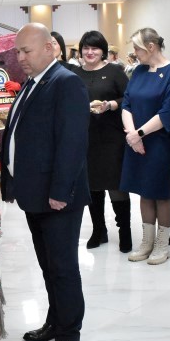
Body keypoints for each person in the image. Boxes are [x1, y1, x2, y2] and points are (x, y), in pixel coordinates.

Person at [0, 23, 90, 341]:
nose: (20, 58)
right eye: (17, 52)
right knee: (48, 265)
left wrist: (60, 191)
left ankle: (70, 337)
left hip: (57, 197)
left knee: (63, 268)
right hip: (35, 193)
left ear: (50, 47)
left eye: (27, 50)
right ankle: (55, 321)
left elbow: (72, 142)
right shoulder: (32, 83)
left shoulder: (65, 82)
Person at [121, 28, 170, 265]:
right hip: (135, 140)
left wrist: (139, 134)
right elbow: (126, 103)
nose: (134, 54)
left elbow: (168, 111)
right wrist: (132, 134)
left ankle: (162, 245)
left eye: (137, 49)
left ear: (151, 46)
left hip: (159, 141)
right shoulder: (139, 71)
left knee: (160, 192)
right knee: (144, 191)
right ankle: (147, 242)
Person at [70, 30, 131, 252]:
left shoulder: (115, 72)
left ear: (103, 51)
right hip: (86, 138)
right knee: (92, 186)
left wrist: (111, 105)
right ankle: (99, 230)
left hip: (112, 137)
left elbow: (129, 98)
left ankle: (125, 231)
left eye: (94, 48)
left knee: (116, 185)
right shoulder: (75, 74)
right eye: (86, 48)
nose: (90, 52)